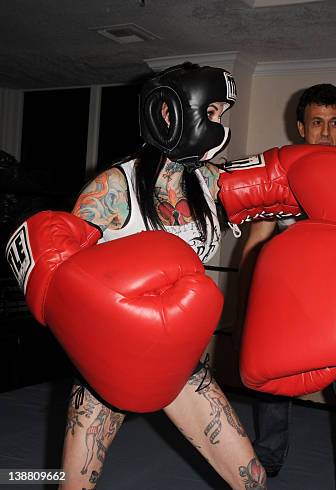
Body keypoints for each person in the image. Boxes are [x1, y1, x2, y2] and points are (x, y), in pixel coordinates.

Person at [47, 63, 265, 489]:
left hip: (181, 364)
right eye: (214, 113)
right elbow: (61, 286)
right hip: (107, 365)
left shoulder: (210, 183)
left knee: (252, 480)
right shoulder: (113, 188)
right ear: (172, 114)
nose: (220, 127)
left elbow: (277, 190)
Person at [238, 84, 336, 488]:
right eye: (317, 122)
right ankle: (270, 454)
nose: (325, 132)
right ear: (301, 126)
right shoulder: (280, 178)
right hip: (289, 303)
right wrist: (247, 306)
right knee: (274, 383)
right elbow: (257, 242)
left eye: (334, 124)